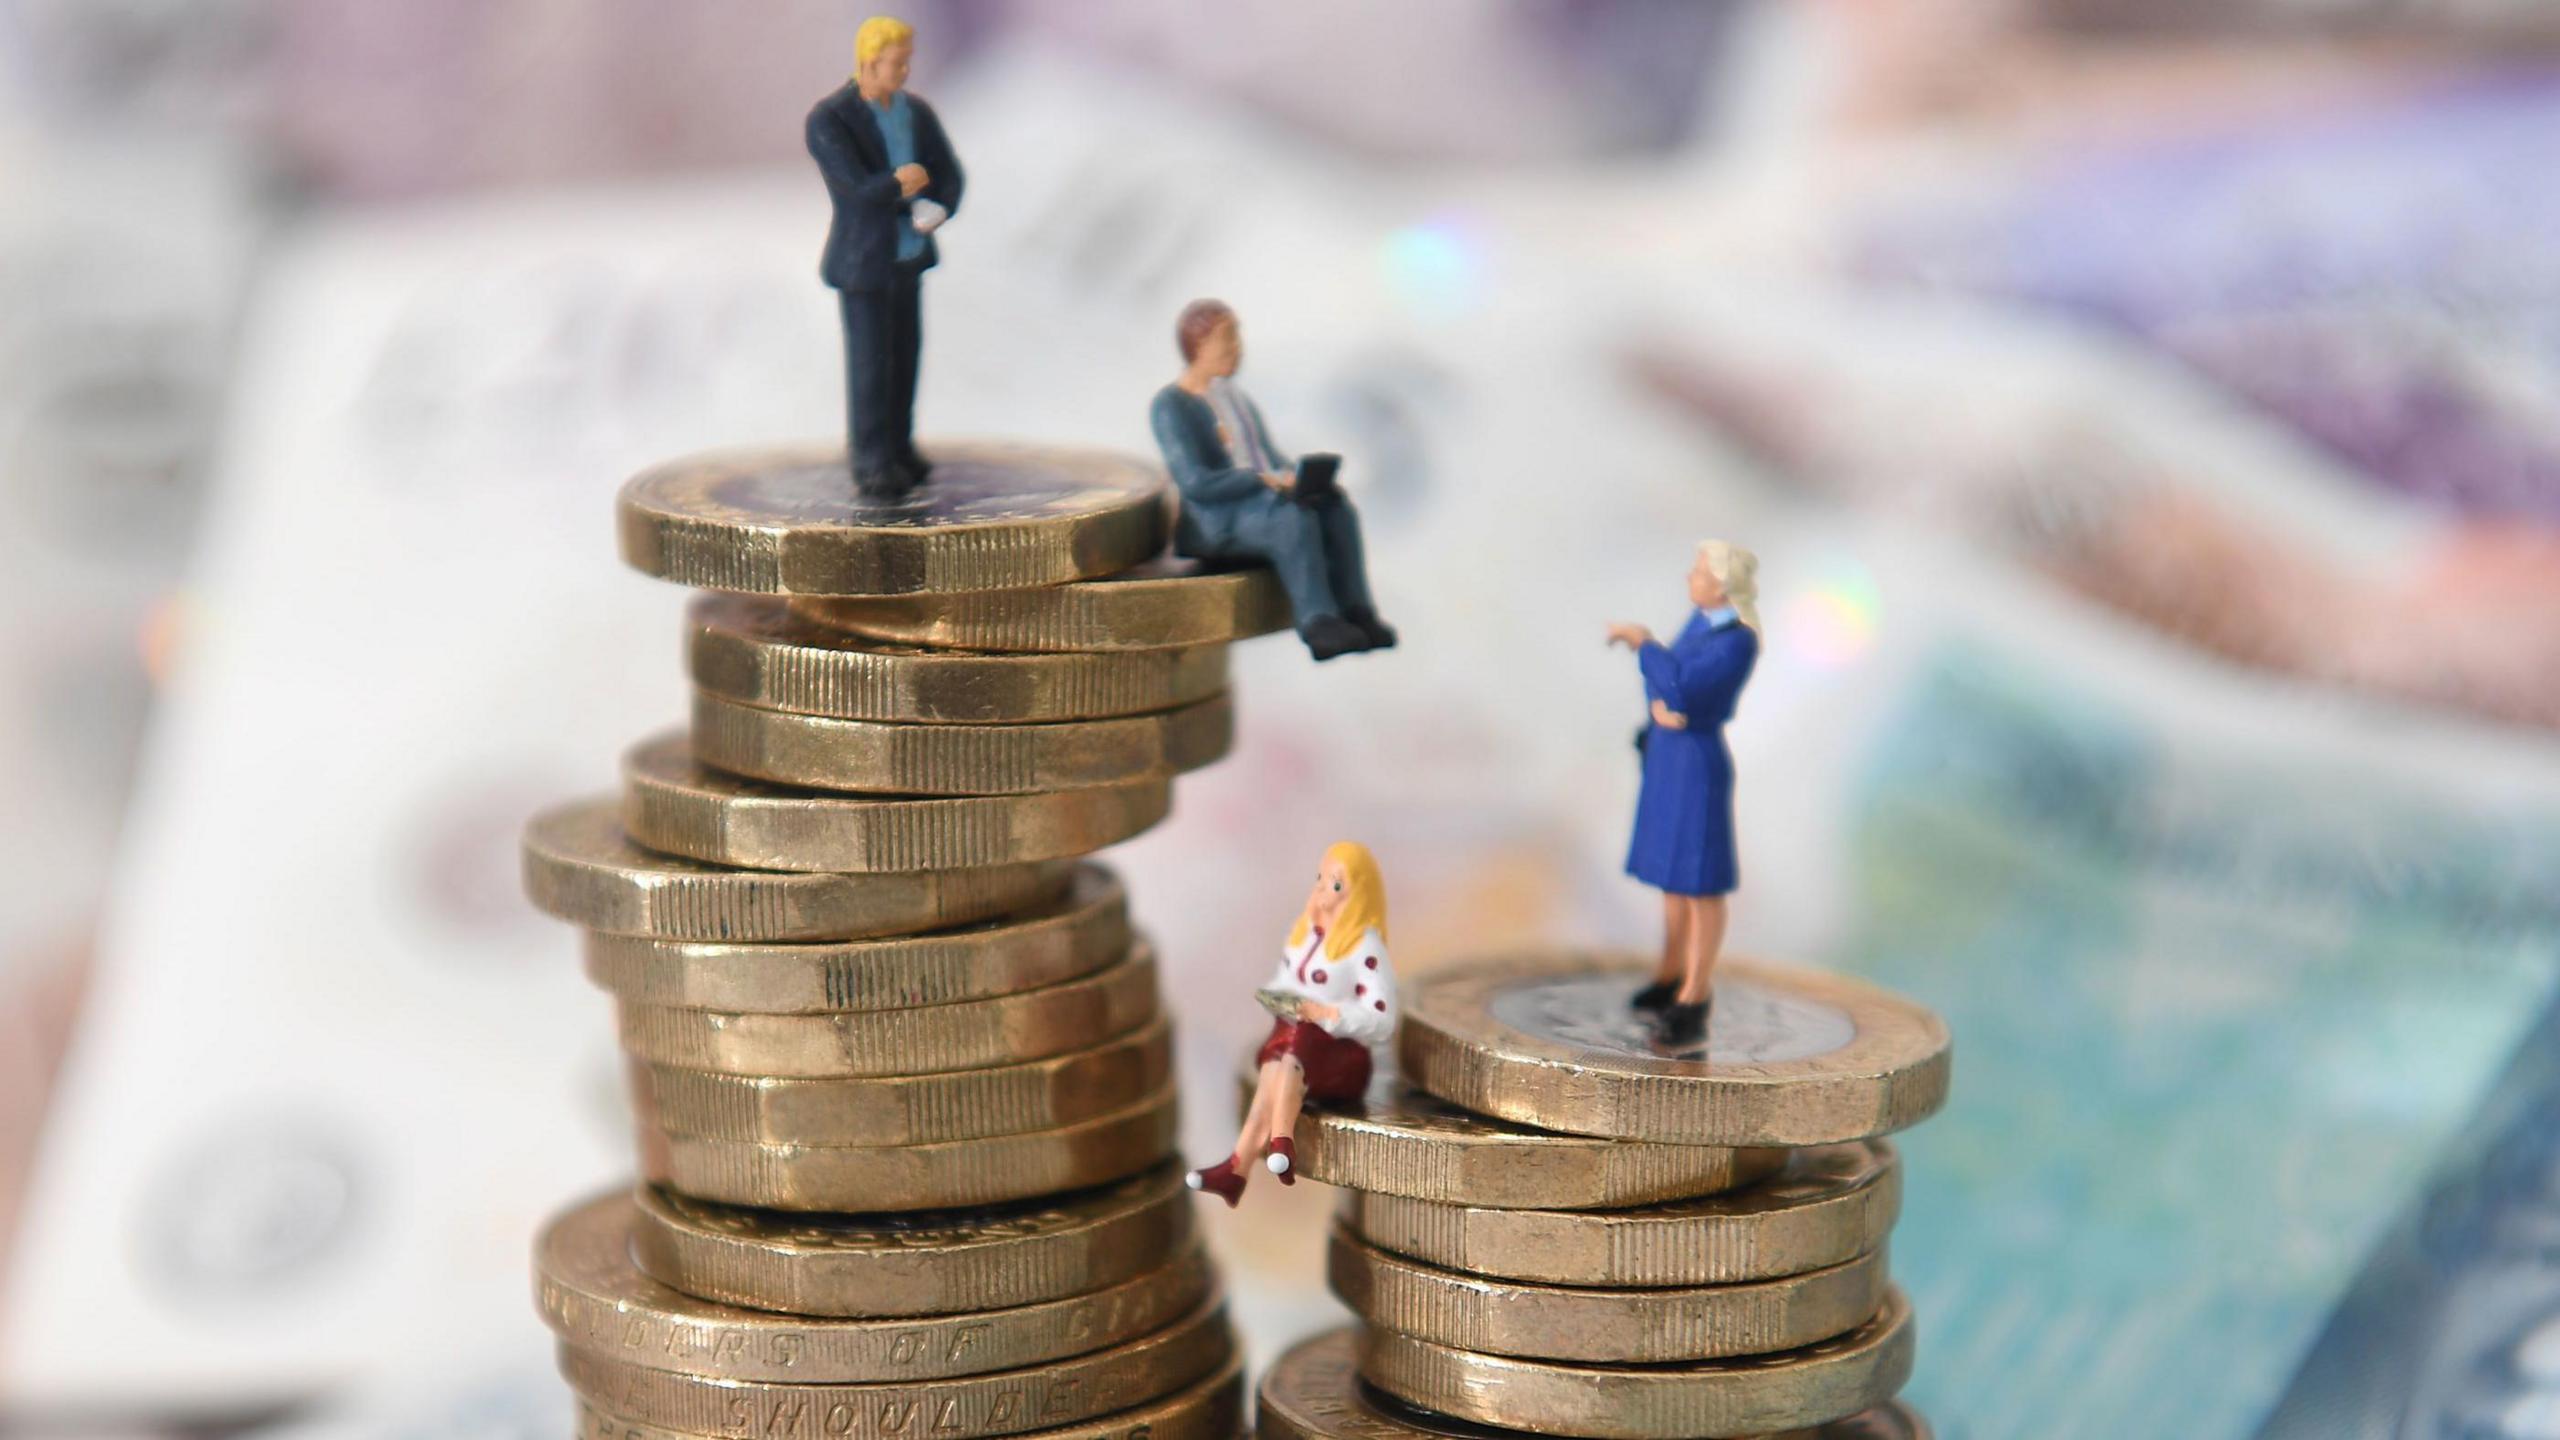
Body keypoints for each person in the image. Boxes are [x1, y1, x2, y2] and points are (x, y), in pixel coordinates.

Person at [1149, 300, 1395, 661]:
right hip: (1217, 521)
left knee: (1334, 508)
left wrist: (1297, 478)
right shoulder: (1171, 406)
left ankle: (1358, 611)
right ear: (1198, 346)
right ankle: (1318, 623)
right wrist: (1261, 481)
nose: (1238, 349)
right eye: (1228, 340)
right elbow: (1196, 483)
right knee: (1291, 519)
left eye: (1238, 339)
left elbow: (1266, 453)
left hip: (1260, 502)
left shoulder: (1234, 397)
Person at [1607, 540, 1761, 1047]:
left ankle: (1696, 994)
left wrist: (1645, 644)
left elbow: (1676, 684)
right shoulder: (1699, 622)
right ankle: (1669, 972)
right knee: (1672, 878)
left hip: (1695, 762)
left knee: (1700, 883)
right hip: (1670, 756)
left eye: (1698, 570)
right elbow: (1666, 689)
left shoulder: (1738, 641)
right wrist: (1663, 693)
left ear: (1721, 583)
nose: (1689, 577)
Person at [1186, 841, 1396, 1206]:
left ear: (1357, 892)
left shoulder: (1364, 946)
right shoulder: (1305, 934)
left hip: (1342, 1061)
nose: (1320, 889)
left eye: (1334, 884)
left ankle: (1259, 1153)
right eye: (1320, 877)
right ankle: (1259, 1156)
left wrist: (1330, 1014)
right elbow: (1284, 981)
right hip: (1295, 1055)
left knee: (1289, 1051)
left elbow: (1382, 1019)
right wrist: (1279, 998)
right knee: (1278, 1061)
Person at [806, 15, 964, 497]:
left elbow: (948, 173)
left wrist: (939, 205)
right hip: (864, 263)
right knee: (871, 363)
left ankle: (900, 445)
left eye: (907, 62)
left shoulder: (916, 113)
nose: (904, 72)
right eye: (896, 63)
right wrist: (901, 183)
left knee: (907, 355)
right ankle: (871, 456)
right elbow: (855, 188)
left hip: (910, 254)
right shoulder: (830, 119)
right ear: (868, 62)